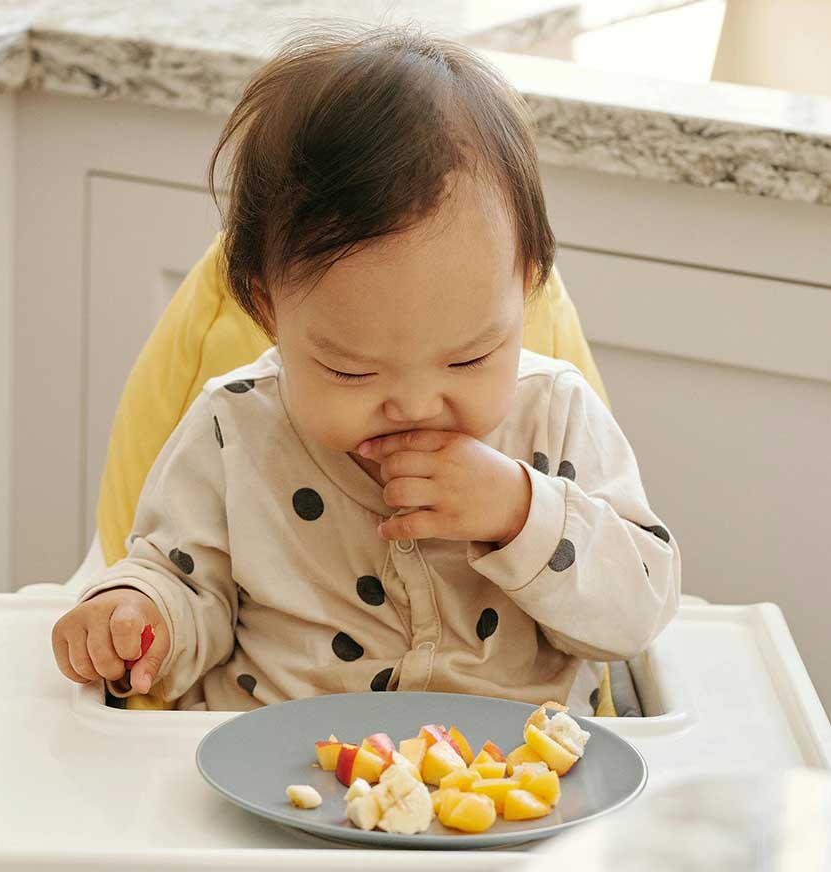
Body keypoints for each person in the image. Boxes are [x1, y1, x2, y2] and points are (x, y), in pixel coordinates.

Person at [51, 21, 681, 712]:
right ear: (268, 309)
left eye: (469, 358)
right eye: (352, 372)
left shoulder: (556, 415)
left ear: (526, 286)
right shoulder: (234, 430)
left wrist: (520, 513)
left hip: (514, 771)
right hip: (280, 762)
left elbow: (639, 613)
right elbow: (181, 581)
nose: (414, 404)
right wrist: (138, 614)